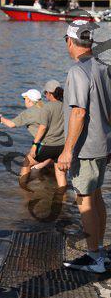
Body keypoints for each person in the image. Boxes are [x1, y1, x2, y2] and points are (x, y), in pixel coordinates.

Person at [59, 20, 111, 273]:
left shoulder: (77, 71)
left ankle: (94, 258)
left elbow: (78, 113)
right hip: (103, 143)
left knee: (85, 200)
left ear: (70, 41)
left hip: (86, 147)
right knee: (97, 196)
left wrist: (67, 150)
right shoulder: (104, 67)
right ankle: (99, 251)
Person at [0, 89, 52, 183]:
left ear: (28, 100)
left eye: (24, 99)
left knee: (26, 162)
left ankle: (22, 185)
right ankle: (46, 176)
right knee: (47, 165)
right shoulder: (48, 107)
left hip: (45, 144)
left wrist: (0, 119)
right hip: (58, 143)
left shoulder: (29, 113)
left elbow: (11, 124)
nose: (24, 101)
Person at [24, 80, 67, 187]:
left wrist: (35, 145)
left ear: (49, 93)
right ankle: (63, 195)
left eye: (45, 93)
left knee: (27, 162)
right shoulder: (66, 106)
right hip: (62, 146)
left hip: (48, 145)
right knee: (61, 174)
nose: (45, 95)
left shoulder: (47, 107)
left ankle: (23, 188)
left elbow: (43, 127)